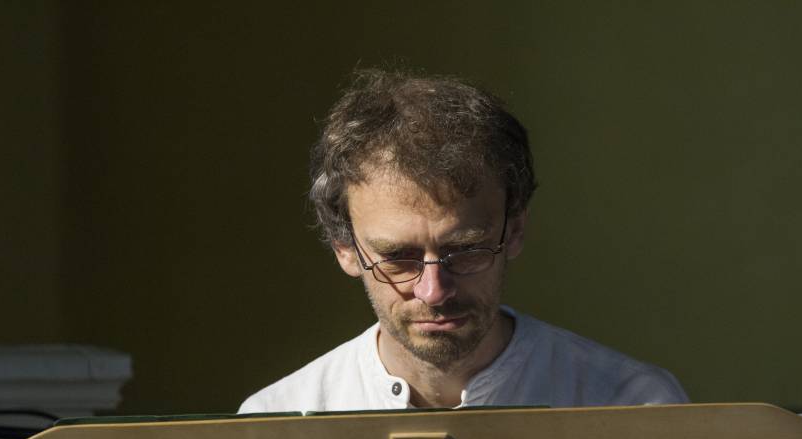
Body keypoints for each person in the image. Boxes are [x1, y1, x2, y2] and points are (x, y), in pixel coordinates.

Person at [239, 69, 687, 414]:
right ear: (344, 247)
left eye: (466, 250)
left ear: (514, 230)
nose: (434, 291)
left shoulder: (635, 408)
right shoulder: (275, 422)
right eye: (398, 257)